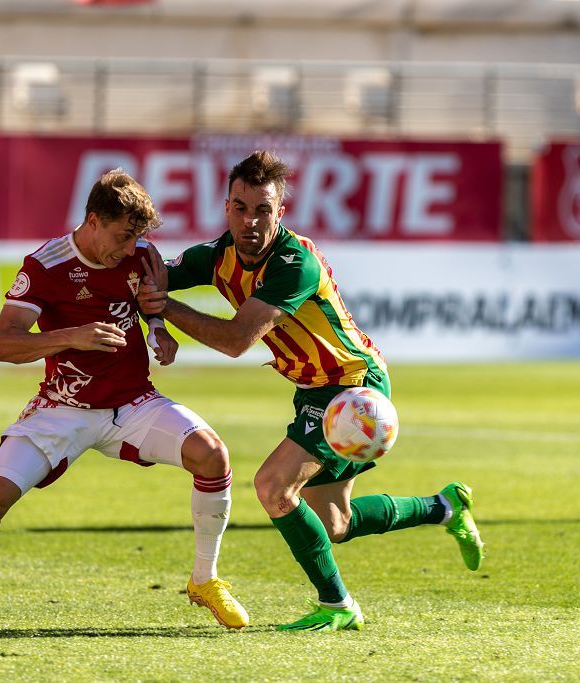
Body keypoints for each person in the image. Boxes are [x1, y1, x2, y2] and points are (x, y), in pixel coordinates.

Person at [137, 151, 485, 631]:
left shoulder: (293, 263)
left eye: (263, 209)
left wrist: (165, 309)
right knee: (334, 524)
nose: (251, 220)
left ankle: (338, 605)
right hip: (314, 389)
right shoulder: (217, 257)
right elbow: (146, 279)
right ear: (226, 208)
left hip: (351, 389)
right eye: (240, 207)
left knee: (272, 487)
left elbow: (238, 339)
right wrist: (149, 308)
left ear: (280, 213)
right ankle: (444, 507)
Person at [0, 169, 248, 632]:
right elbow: (2, 345)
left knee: (212, 455)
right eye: (122, 236)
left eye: (137, 238)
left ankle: (205, 581)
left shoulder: (142, 254)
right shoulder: (45, 265)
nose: (130, 249)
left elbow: (149, 307)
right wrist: (74, 337)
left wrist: (161, 334)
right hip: (61, 408)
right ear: (93, 220)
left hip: (132, 404)